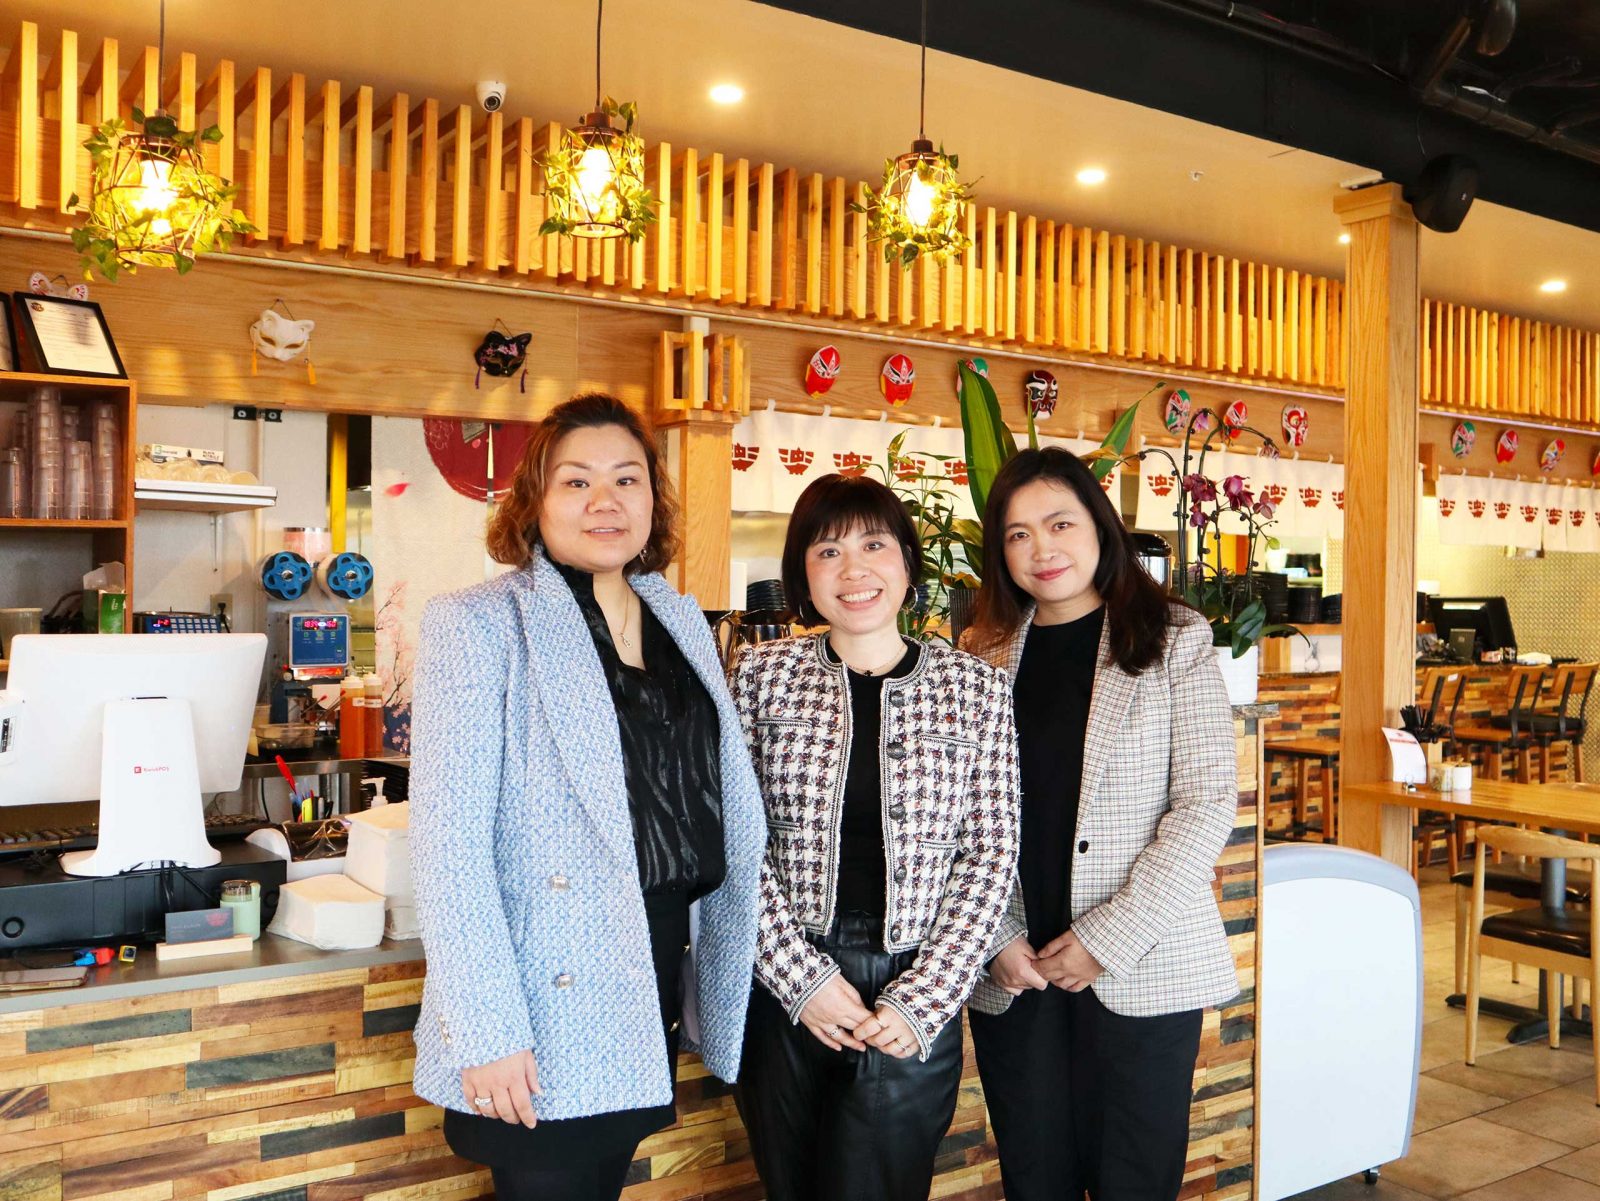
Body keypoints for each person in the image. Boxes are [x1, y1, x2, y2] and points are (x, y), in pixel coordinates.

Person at [409, 393, 765, 1201]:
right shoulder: (480, 623)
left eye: (626, 479)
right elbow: (447, 847)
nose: (604, 502)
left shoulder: (678, 619)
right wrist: (488, 1028)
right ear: (533, 500)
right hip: (541, 994)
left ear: (653, 499)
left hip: (651, 967)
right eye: (576, 482)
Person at [732, 472, 1021, 1201]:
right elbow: (736, 841)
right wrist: (801, 979)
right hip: (786, 987)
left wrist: (924, 999)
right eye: (828, 551)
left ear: (907, 564)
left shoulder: (975, 688)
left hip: (913, 984)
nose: (853, 568)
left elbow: (990, 852)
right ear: (803, 572)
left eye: (873, 544)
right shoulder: (760, 676)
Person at [963, 446, 1241, 1201]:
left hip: (1141, 964)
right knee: (1035, 1180)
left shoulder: (1172, 638)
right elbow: (957, 817)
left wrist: (1104, 940)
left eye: (1059, 523)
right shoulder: (980, 655)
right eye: (1018, 533)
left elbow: (1207, 801)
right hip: (1017, 971)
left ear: (1100, 525)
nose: (1040, 548)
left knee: (1135, 1182)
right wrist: (995, 941)